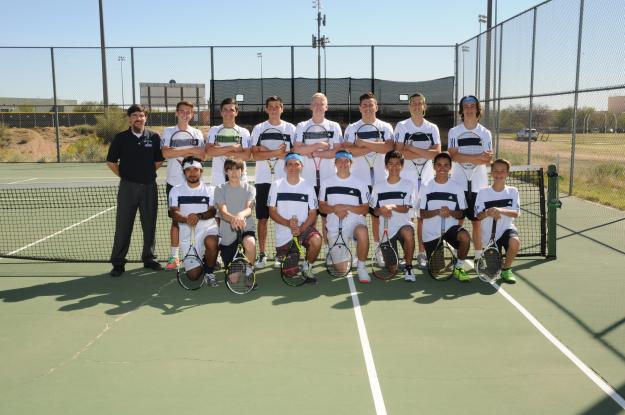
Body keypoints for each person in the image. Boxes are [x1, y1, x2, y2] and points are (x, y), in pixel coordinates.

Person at [106, 104, 164, 277]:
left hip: (149, 187)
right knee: (123, 225)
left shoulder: (154, 137)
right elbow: (111, 162)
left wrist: (146, 174)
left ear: (145, 117)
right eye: (134, 115)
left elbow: (158, 161)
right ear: (129, 118)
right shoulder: (121, 138)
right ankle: (118, 262)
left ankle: (149, 258)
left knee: (149, 225)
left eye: (141, 115)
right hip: (127, 188)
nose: (138, 118)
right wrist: (126, 177)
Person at [342, 92, 394, 266]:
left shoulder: (386, 127)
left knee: (377, 217)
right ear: (359, 108)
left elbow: (388, 148)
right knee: (358, 217)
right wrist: (375, 145)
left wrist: (363, 143)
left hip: (381, 181)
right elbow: (349, 151)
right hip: (358, 181)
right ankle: (358, 252)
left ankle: (379, 250)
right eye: (364, 105)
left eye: (371, 105)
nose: (368, 108)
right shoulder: (351, 128)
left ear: (376, 107)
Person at [393, 93, 441, 269]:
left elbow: (436, 154)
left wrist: (411, 147)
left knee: (422, 218)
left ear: (424, 107)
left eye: (419, 103)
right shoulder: (402, 126)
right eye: (413, 103)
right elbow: (399, 153)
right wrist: (425, 152)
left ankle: (422, 254)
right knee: (405, 217)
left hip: (427, 178)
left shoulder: (432, 128)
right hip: (406, 179)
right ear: (409, 107)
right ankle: (405, 256)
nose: (416, 105)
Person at [161, 100, 206, 270]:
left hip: (194, 185)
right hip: (174, 184)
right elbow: (165, 152)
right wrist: (189, 151)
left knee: (198, 220)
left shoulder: (197, 133)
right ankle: (174, 257)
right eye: (182, 111)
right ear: (176, 113)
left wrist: (181, 152)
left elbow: (201, 155)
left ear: (192, 114)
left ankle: (199, 254)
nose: (185, 114)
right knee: (176, 221)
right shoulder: (168, 131)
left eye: (188, 112)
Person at [250, 96, 295, 269]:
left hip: (284, 181)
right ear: (266, 109)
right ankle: (262, 254)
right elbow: (255, 154)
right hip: (263, 181)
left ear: (282, 109)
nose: (274, 109)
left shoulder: (290, 128)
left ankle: (281, 253)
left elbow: (291, 155)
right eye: (271, 107)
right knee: (263, 219)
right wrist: (277, 152)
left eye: (277, 106)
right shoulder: (259, 128)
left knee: (281, 219)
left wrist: (266, 150)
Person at [448, 95, 493, 262]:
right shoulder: (454, 131)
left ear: (477, 109)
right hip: (458, 185)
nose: (469, 109)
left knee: (477, 223)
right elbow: (453, 156)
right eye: (465, 106)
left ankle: (478, 255)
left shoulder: (485, 133)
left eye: (472, 106)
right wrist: (477, 158)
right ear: (462, 110)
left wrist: (463, 156)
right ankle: (456, 253)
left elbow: (487, 160)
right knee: (457, 222)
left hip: (479, 186)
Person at [268, 152, 322, 284]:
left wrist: (301, 228)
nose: (293, 167)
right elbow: (272, 212)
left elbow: (313, 213)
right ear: (285, 167)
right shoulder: (276, 186)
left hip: (303, 230)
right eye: (290, 164)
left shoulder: (308, 187)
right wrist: (288, 224)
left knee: (316, 241)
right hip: (284, 235)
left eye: (296, 164)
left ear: (301, 166)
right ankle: (285, 256)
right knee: (290, 273)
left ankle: (307, 267)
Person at [319, 150, 371, 283]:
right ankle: (337, 253)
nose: (343, 163)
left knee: (363, 232)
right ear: (335, 163)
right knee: (342, 270)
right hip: (335, 227)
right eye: (340, 161)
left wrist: (346, 207)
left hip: (355, 223)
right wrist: (335, 209)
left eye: (346, 160)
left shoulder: (360, 183)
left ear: (350, 163)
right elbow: (321, 207)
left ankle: (361, 267)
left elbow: (365, 208)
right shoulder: (326, 183)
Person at [419, 152, 471, 282]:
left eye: (446, 165)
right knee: (437, 269)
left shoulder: (457, 188)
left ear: (450, 167)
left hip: (450, 229)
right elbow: (422, 214)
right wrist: (437, 212)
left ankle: (459, 266)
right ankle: (438, 256)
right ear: (434, 167)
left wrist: (450, 213)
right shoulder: (426, 187)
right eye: (439, 165)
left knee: (465, 237)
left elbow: (461, 213)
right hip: (431, 233)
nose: (442, 168)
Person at [168, 157, 219, 286]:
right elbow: (173, 212)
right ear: (184, 172)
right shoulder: (175, 190)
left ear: (201, 171)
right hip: (188, 236)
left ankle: (209, 271)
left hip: (208, 230)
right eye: (188, 170)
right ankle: (206, 259)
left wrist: (199, 216)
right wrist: (186, 219)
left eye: (195, 169)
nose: (192, 173)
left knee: (212, 241)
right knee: (193, 276)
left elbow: (212, 211)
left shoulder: (210, 190)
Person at [370, 151, 417, 282]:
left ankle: (408, 267)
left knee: (408, 232)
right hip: (386, 231)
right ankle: (396, 261)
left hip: (403, 226)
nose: (394, 167)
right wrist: (381, 210)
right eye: (391, 164)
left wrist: (392, 206)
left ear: (402, 166)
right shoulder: (378, 187)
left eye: (397, 164)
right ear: (386, 166)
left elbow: (406, 208)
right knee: (392, 269)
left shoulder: (408, 185)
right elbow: (374, 211)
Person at [475, 159, 521, 283]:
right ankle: (494, 261)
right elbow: (478, 216)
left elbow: (516, 213)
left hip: (506, 230)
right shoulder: (482, 193)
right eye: (496, 171)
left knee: (515, 242)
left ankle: (507, 269)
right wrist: (487, 213)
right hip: (489, 237)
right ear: (491, 173)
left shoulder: (513, 191)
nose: (499, 174)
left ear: (507, 174)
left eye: (502, 171)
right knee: (492, 272)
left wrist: (499, 210)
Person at [214, 158, 256, 284]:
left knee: (250, 242)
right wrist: (234, 219)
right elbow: (222, 211)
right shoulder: (219, 189)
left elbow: (249, 208)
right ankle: (240, 260)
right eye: (230, 169)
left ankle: (249, 271)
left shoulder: (250, 189)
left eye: (237, 168)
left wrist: (240, 215)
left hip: (246, 229)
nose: (234, 172)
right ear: (226, 172)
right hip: (228, 236)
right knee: (233, 280)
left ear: (242, 171)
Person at [205, 98, 252, 187]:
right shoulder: (214, 130)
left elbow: (246, 156)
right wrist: (233, 148)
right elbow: (209, 152)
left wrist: (219, 150)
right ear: (221, 112)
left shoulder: (244, 132)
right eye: (225, 110)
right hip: (218, 179)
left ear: (236, 113)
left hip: (240, 178)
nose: (228, 113)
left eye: (231, 110)